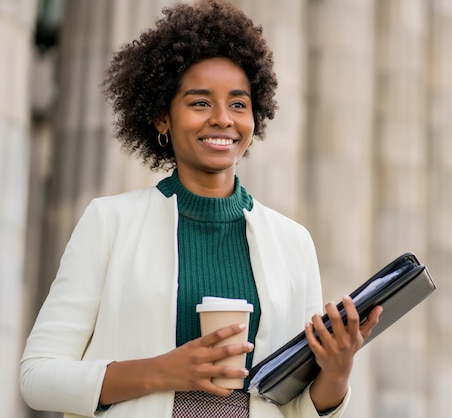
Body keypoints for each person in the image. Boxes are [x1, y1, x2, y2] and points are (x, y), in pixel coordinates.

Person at [19, 1, 382, 417]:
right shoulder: (109, 223)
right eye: (200, 103)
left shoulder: (292, 243)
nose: (223, 119)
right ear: (162, 117)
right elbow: (38, 377)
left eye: (239, 104)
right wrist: (161, 372)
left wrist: (336, 371)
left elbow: (292, 406)